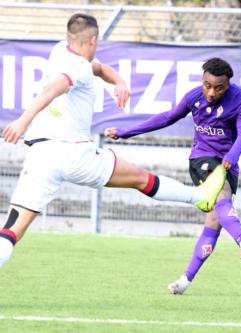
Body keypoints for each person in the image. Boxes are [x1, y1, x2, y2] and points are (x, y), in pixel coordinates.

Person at [0, 13, 226, 268]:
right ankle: (199, 197)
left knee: (10, 232)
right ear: (93, 40)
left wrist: (119, 81)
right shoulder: (78, 68)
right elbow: (55, 88)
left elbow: (98, 68)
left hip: (40, 155)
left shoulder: (60, 51)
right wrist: (22, 120)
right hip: (75, 155)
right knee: (140, 178)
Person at [105, 57, 241, 295]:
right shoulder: (195, 96)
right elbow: (166, 117)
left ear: (228, 85)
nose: (211, 92)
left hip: (228, 163)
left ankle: (185, 280)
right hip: (202, 159)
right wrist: (125, 133)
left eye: (219, 88)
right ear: (203, 80)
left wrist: (233, 155)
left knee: (215, 220)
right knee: (221, 193)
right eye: (207, 85)